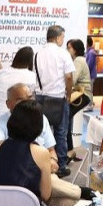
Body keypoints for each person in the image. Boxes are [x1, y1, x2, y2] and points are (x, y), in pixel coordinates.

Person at [0, 83, 91, 206]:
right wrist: (41, 162)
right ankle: (82, 191)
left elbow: (51, 150)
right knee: (48, 180)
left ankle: (82, 202)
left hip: (10, 203)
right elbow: (45, 195)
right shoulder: (1, 127)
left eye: (30, 97)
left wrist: (52, 160)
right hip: (29, 203)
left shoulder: (8, 144)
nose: (27, 102)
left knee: (69, 202)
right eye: (20, 99)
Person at [34, 25, 75, 177]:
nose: (63, 40)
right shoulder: (63, 53)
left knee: (40, 131)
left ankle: (40, 163)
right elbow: (69, 77)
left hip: (40, 97)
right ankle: (61, 166)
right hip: (58, 98)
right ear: (58, 38)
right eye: (62, 37)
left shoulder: (37, 53)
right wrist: (69, 95)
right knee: (61, 132)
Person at [0, 45, 36, 119]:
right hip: (10, 114)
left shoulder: (1, 71)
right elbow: (28, 99)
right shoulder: (31, 76)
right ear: (30, 61)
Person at [66, 38, 93, 159]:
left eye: (69, 48)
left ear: (76, 50)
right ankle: (69, 149)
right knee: (66, 118)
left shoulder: (78, 61)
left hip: (83, 95)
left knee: (65, 118)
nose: (67, 50)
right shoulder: (78, 60)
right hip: (83, 94)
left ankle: (69, 150)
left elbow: (72, 79)